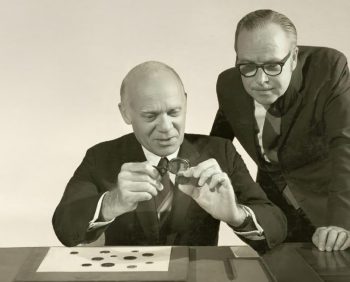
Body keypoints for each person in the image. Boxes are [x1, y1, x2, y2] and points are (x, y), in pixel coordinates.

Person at [53, 61, 286, 252]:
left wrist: (236, 215)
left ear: (185, 102)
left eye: (174, 112)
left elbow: (277, 225)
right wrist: (112, 203)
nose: (166, 127)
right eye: (150, 116)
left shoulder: (221, 152)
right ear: (125, 112)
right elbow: (65, 229)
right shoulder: (100, 157)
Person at [211, 9, 350, 252]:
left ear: (294, 58)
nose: (260, 80)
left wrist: (341, 223)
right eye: (247, 66)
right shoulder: (229, 85)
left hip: (331, 209)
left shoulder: (327, 68)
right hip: (273, 213)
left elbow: (345, 143)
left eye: (273, 65)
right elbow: (216, 147)